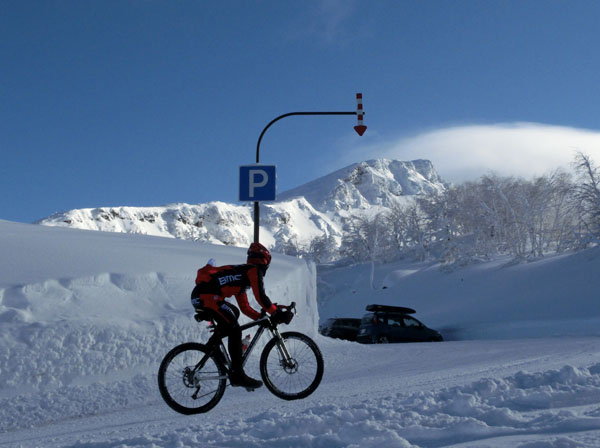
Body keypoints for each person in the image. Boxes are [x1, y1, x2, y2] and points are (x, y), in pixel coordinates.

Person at [190, 242, 291, 389]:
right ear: (265, 263)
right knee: (235, 329)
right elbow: (261, 298)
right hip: (207, 297)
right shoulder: (253, 271)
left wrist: (261, 318)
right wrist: (275, 312)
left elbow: (245, 308)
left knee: (234, 314)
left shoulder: (241, 276)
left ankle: (214, 347)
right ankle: (237, 375)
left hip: (203, 296)